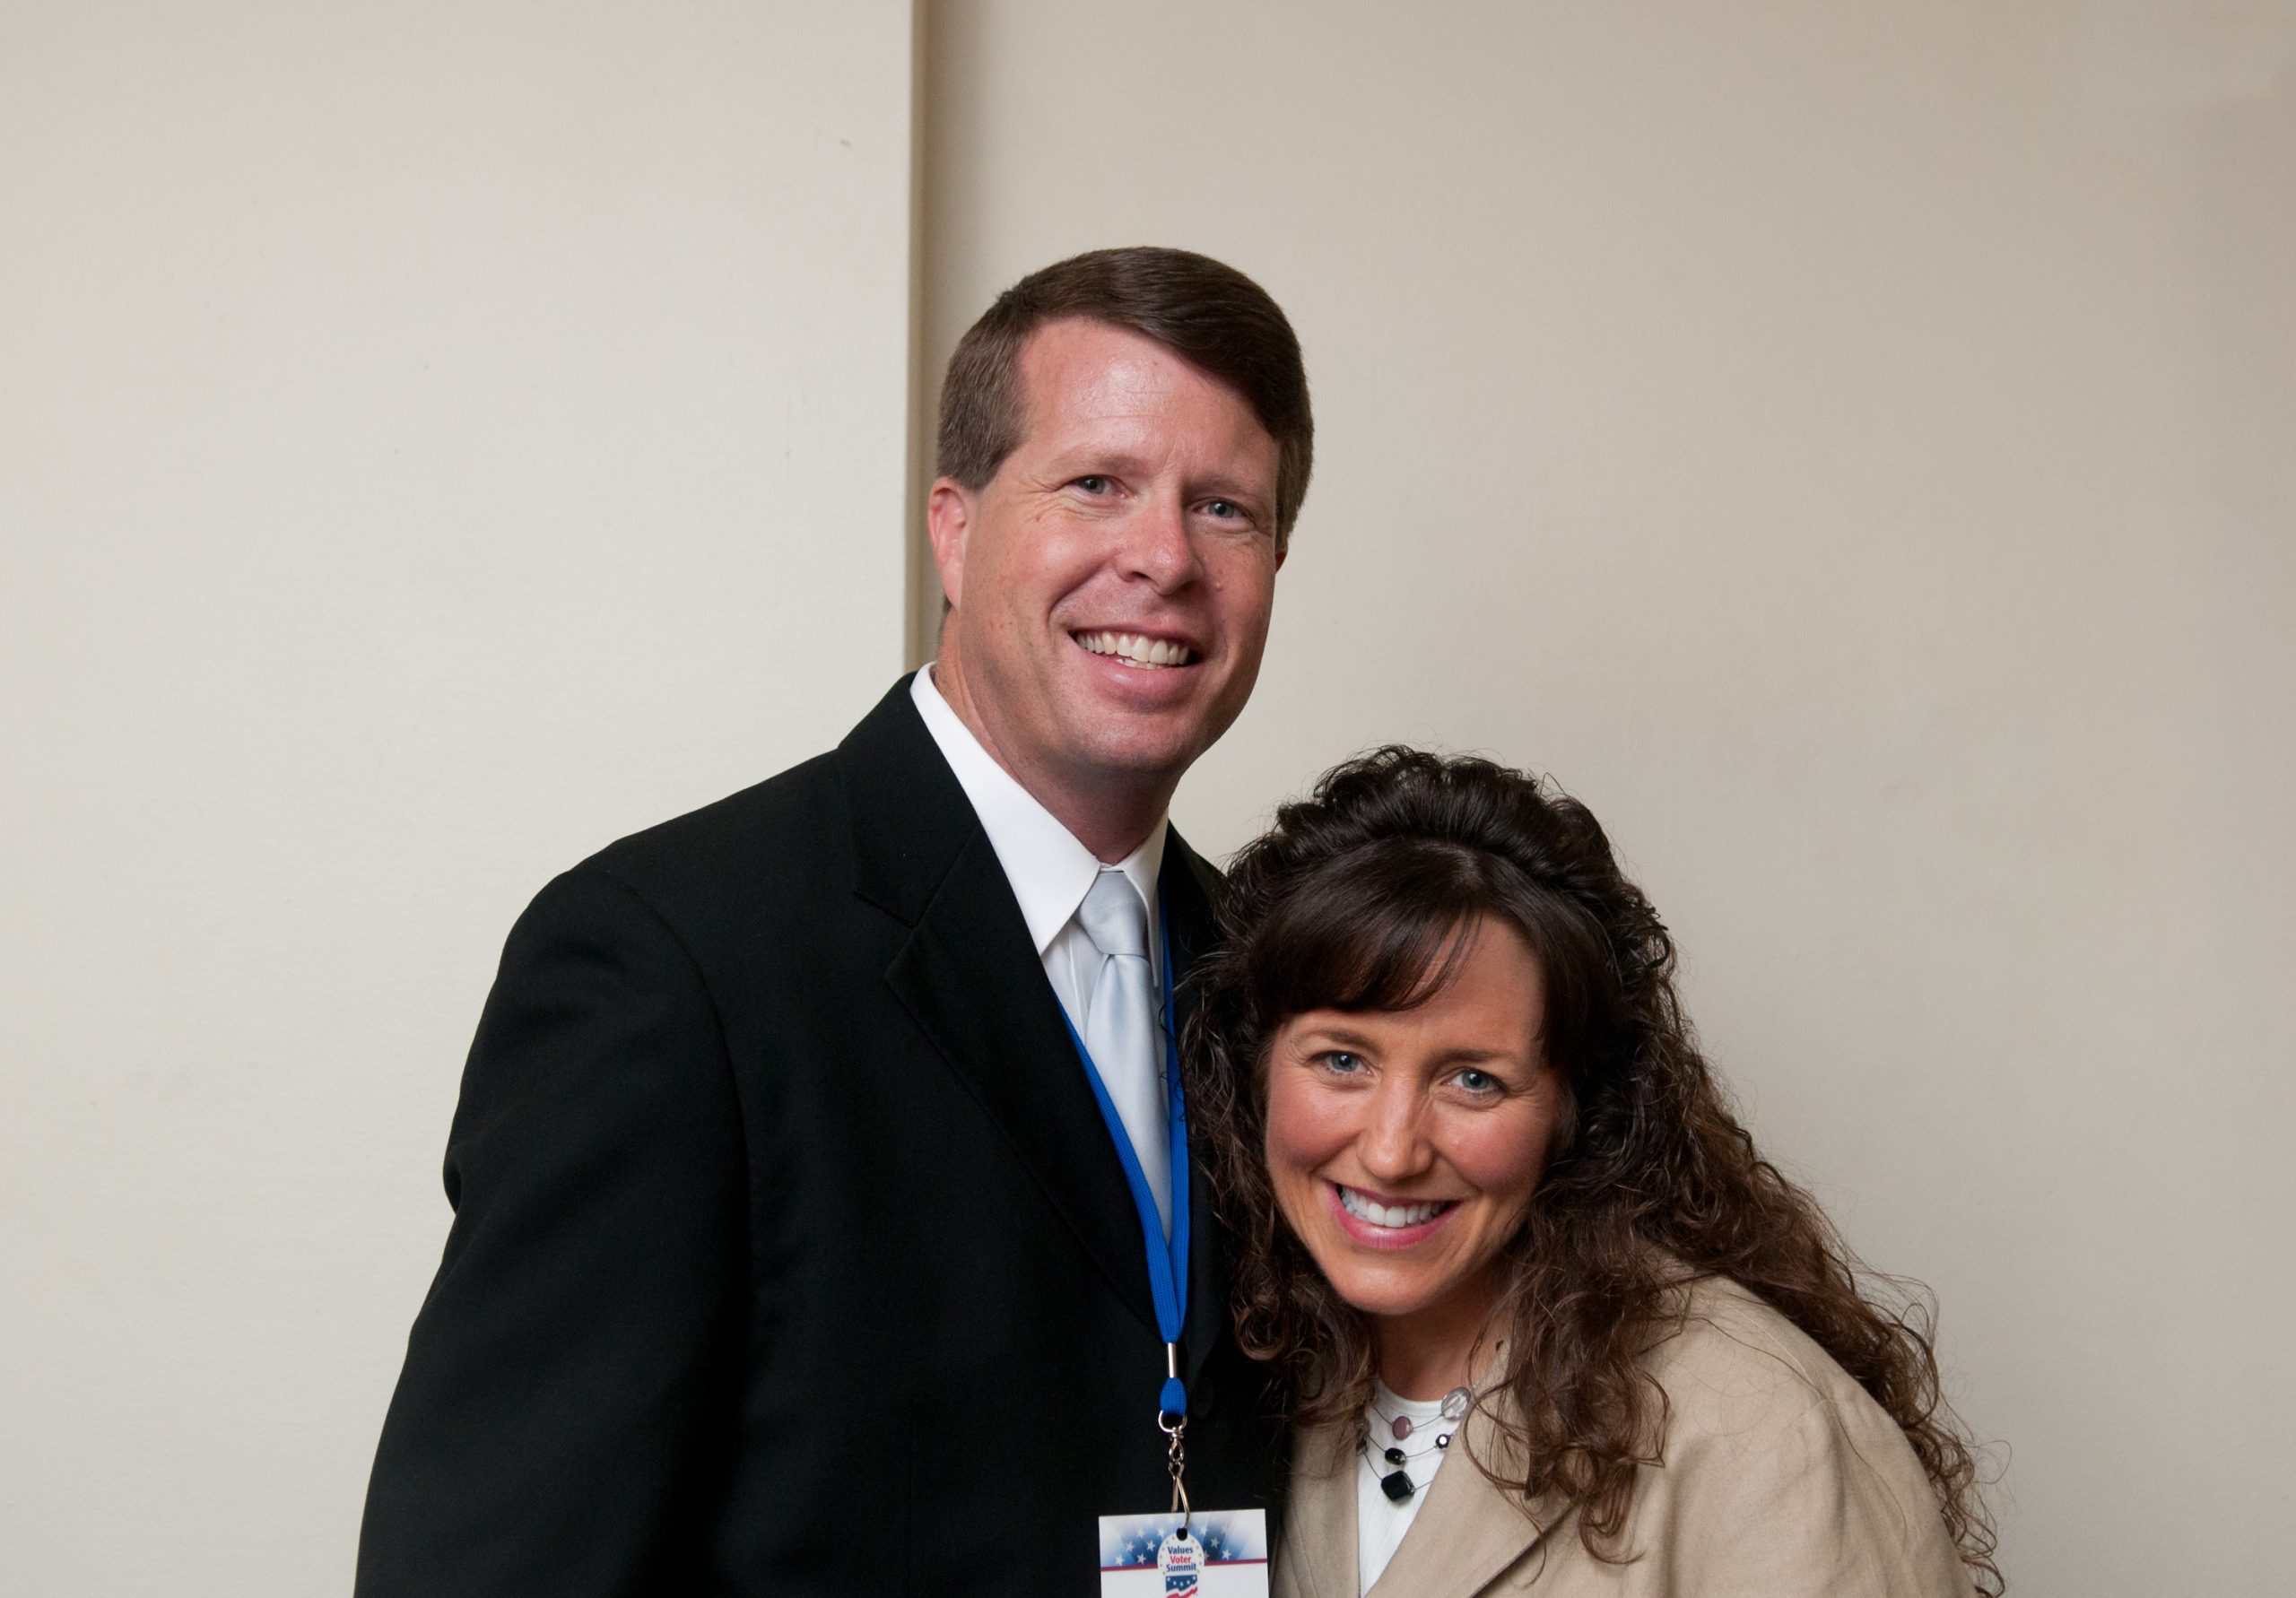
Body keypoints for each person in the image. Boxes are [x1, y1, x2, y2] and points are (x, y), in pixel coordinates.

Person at [355, 246, 1312, 1594]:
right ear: (955, 524)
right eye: (1096, 482)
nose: (1161, 556)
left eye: (1224, 507)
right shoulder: (671, 961)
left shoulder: (1279, 982)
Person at [1185, 749, 2000, 1597]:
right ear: (1255, 1066)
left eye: (1474, 1081)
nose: (1393, 1151)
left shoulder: (1762, 1430)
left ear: (1578, 1110)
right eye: (1343, 1060)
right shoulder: (1264, 1375)